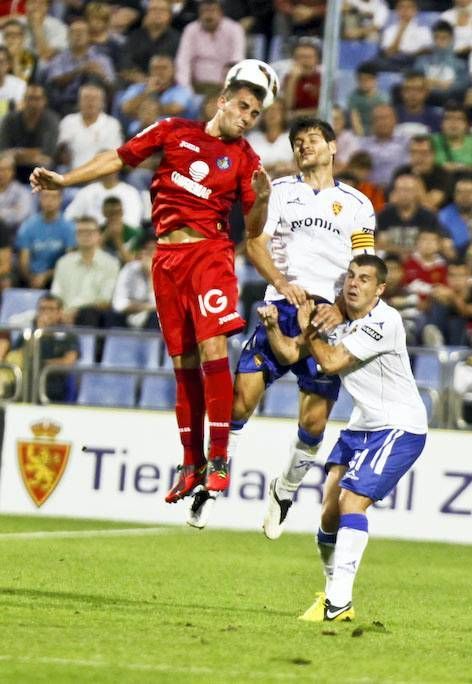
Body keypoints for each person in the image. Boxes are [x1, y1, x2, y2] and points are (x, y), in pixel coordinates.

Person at [30, 73, 272, 500]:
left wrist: (263, 200)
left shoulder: (247, 160)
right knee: (183, 363)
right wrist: (66, 181)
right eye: (243, 107)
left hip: (210, 255)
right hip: (166, 260)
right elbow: (118, 157)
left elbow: (253, 231)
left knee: (214, 349)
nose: (248, 117)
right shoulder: (173, 130)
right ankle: (191, 463)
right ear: (222, 101)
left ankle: (219, 458)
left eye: (256, 113)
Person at [188, 116, 376, 529]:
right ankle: (211, 486)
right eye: (297, 142)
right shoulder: (279, 192)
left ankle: (285, 490)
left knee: (313, 422)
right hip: (282, 306)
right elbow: (255, 243)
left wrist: (343, 311)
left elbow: (364, 268)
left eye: (312, 139)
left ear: (332, 148)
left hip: (328, 317)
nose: (303, 146)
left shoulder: (359, 205)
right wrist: (281, 284)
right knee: (240, 401)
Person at [258, 254, 427, 620]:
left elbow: (332, 362)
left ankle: (339, 600)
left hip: (398, 427)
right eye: (351, 276)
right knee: (329, 514)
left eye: (365, 279)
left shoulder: (385, 321)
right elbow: (290, 351)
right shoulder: (334, 319)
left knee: (352, 503)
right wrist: (274, 326)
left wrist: (311, 328)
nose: (354, 283)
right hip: (361, 425)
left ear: (380, 289)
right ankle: (332, 593)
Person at [0, 293, 80, 402]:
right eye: (42, 309)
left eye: (51, 309)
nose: (46, 313)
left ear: (60, 312)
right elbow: (16, 356)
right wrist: (39, 332)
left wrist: (42, 363)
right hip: (25, 379)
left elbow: (69, 361)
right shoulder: (30, 333)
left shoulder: (68, 335)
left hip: (52, 381)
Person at [50, 216, 120, 326]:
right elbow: (56, 294)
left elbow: (105, 300)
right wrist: (61, 313)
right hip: (63, 314)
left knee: (89, 314)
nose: (85, 235)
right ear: (76, 236)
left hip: (93, 315)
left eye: (90, 232)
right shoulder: (63, 262)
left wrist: (76, 311)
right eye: (81, 232)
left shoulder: (111, 263)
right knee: (45, 314)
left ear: (98, 235)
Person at [175, 0, 245, 95]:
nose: (208, 15)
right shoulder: (190, 30)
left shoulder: (234, 29)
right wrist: (185, 88)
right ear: (199, 14)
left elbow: (236, 60)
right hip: (196, 86)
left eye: (212, 11)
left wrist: (228, 88)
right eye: (205, 11)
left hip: (223, 86)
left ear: (221, 13)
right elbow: (183, 60)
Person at [15, 188, 76, 288]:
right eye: (45, 196)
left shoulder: (69, 227)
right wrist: (30, 278)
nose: (49, 201)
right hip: (30, 278)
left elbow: (69, 261)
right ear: (39, 198)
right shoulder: (28, 226)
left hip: (58, 278)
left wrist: (46, 276)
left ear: (61, 199)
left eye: (54, 197)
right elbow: (24, 261)